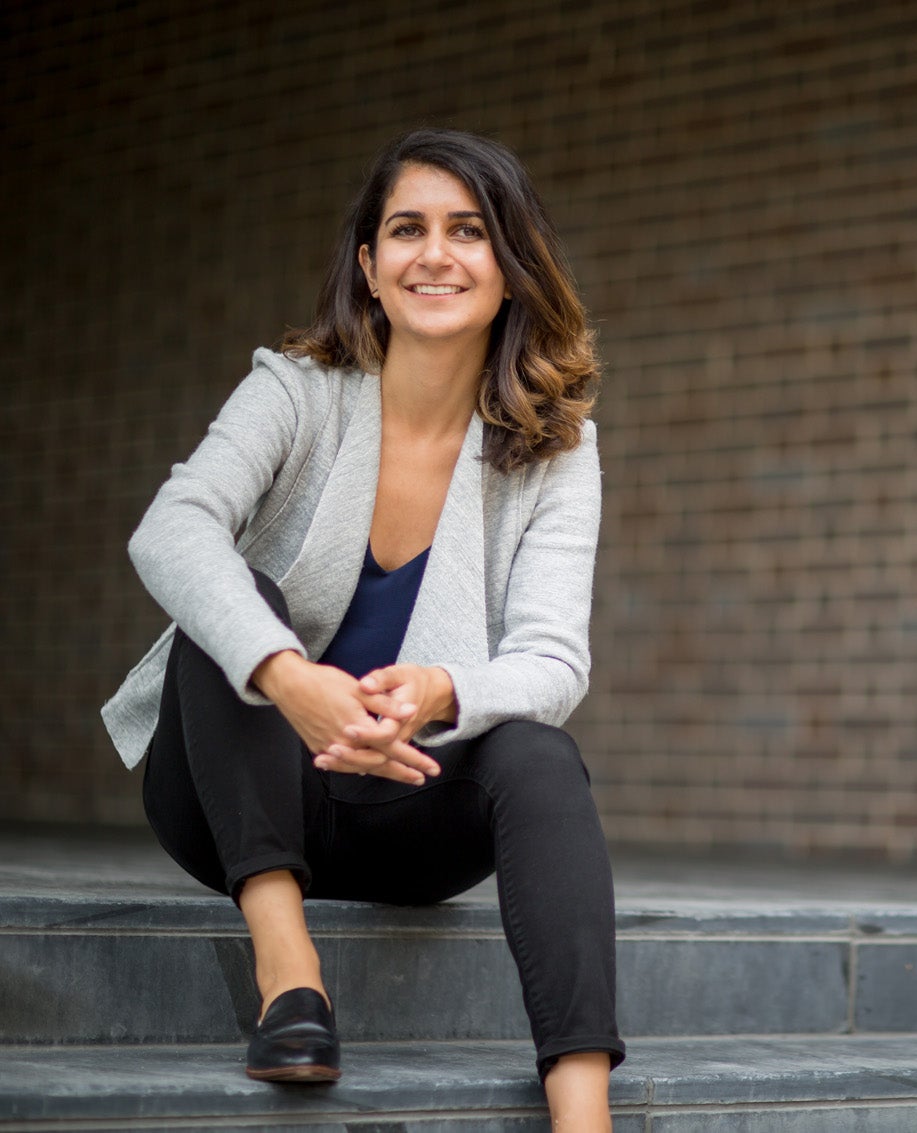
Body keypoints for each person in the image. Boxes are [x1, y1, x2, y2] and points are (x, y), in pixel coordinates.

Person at [101, 127, 622, 1131]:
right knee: (234, 600)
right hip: (234, 798)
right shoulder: (297, 391)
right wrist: (290, 677)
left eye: (469, 230)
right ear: (369, 269)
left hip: (409, 807)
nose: (436, 253)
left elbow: (554, 659)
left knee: (541, 753)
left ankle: (582, 1108)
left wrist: (438, 692)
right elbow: (171, 527)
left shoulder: (555, 448)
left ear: (510, 268)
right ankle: (290, 977)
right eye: (407, 229)